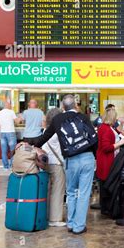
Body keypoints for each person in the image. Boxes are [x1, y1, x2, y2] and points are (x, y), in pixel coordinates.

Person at [35, 95, 97, 235]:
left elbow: (45, 137)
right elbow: (94, 137)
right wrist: (93, 156)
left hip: (71, 160)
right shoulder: (83, 117)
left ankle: (70, 223)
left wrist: (33, 145)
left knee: (71, 192)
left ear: (63, 107)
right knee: (84, 193)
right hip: (87, 158)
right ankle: (79, 226)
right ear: (75, 105)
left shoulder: (57, 120)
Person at [96, 108, 124, 213]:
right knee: (107, 184)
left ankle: (106, 207)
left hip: (106, 160)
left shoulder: (106, 127)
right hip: (106, 161)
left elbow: (116, 131)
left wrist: (122, 124)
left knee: (106, 184)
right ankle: (106, 208)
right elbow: (106, 147)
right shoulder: (105, 129)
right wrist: (120, 143)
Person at [41, 108, 66, 227]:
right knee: (57, 191)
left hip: (46, 163)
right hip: (56, 164)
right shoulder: (58, 132)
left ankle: (45, 215)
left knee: (48, 190)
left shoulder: (46, 130)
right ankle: (55, 219)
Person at [0, 101, 17, 170]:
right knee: (12, 151)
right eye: (10, 104)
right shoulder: (11, 112)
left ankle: (5, 167)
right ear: (8, 105)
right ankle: (11, 166)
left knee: (4, 151)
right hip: (11, 133)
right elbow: (17, 121)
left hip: (2, 133)